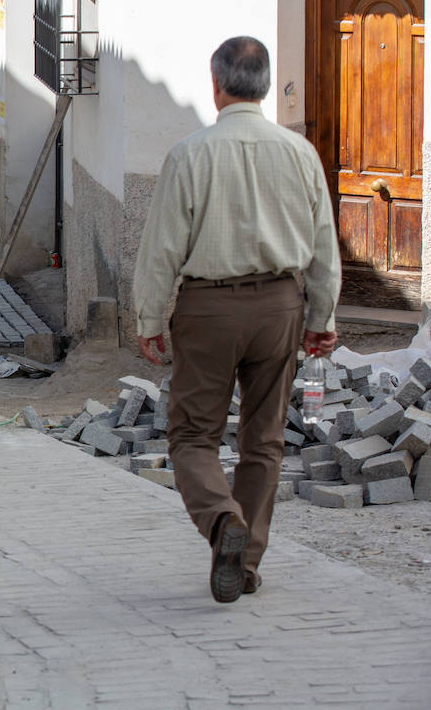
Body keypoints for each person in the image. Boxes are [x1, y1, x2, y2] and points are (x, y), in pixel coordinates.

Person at [133, 36, 340, 604]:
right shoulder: (301, 154)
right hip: (281, 306)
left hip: (208, 309)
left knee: (193, 435)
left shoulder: (190, 154)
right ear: (266, 85)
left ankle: (223, 521)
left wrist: (150, 318)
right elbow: (324, 244)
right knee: (264, 440)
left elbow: (161, 250)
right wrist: (321, 315)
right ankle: (245, 564)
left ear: (216, 82)